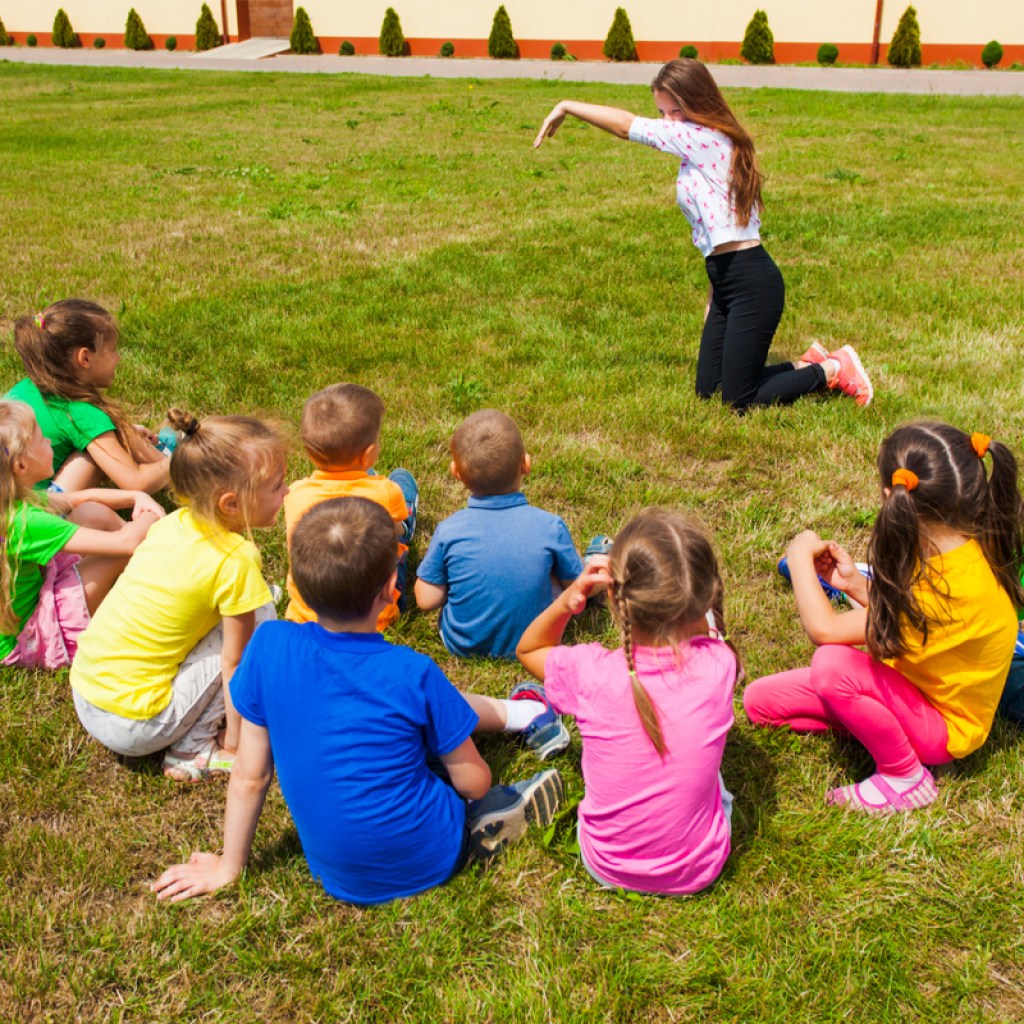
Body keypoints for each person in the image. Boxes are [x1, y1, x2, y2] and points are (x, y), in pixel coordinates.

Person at [151, 497, 564, 906]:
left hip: (336, 874)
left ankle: (516, 714)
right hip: (432, 853)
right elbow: (474, 781)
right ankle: (494, 811)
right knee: (448, 744)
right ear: (390, 587)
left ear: (297, 585)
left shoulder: (268, 646)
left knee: (412, 721)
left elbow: (250, 776)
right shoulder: (412, 671)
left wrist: (228, 867)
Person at [533, 59, 873, 411]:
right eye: (662, 112)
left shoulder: (704, 138)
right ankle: (804, 365)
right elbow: (717, 236)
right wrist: (714, 296)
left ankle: (834, 368)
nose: (668, 121)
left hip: (752, 283)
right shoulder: (703, 146)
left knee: (738, 401)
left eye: (675, 110)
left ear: (699, 102)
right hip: (726, 281)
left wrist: (566, 105)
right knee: (709, 391)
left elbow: (626, 127)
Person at [744, 423, 1023, 813]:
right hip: (910, 687)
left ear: (892, 495)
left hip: (944, 729)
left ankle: (904, 775)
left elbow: (824, 630)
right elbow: (912, 628)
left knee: (831, 666)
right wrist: (857, 587)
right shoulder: (963, 551)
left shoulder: (945, 589)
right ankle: (884, 730)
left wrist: (798, 556)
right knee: (761, 704)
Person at [517, 508, 738, 895]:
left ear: (615, 598)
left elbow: (530, 647)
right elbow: (708, 634)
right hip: (700, 869)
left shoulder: (590, 674)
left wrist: (569, 598)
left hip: (606, 863)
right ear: (705, 597)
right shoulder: (720, 664)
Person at [70, 411, 288, 781]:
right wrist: (235, 742)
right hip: (135, 724)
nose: (287, 491)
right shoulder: (234, 560)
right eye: (277, 485)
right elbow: (235, 665)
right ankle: (194, 750)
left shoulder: (170, 523)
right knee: (262, 623)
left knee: (252, 606)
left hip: (87, 692)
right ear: (231, 504)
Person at [0, 399, 163, 669]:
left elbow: (80, 498)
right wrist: (150, 517)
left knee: (90, 513)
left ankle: (154, 565)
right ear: (21, 467)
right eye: (42, 439)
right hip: (30, 638)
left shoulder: (11, 503)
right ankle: (159, 575)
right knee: (117, 553)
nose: (50, 443)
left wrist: (137, 496)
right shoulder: (25, 522)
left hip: (29, 606)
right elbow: (127, 542)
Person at [283, 383, 417, 631]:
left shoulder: (295, 493)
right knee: (401, 528)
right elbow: (395, 531)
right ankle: (407, 504)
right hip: (377, 616)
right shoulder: (385, 492)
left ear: (309, 454)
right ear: (367, 454)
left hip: (307, 614)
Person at [8, 299, 171, 493]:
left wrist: (124, 432)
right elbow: (137, 482)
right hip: (24, 516)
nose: (118, 358)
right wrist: (177, 462)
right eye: (112, 349)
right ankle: (178, 457)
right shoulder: (81, 413)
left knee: (111, 439)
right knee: (98, 451)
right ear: (85, 358)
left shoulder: (26, 387)